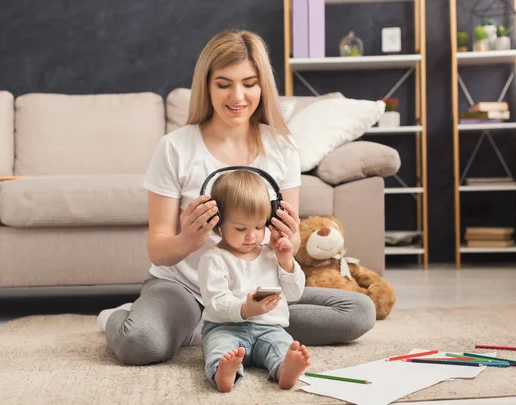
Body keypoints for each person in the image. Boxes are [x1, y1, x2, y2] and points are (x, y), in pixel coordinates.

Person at [97, 29, 376, 366]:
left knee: (358, 311)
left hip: (255, 292)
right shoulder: (175, 148)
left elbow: (290, 248)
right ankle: (137, 317)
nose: (238, 96)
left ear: (263, 86)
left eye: (249, 83)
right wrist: (188, 239)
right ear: (207, 86)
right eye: (224, 83)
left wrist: (288, 242)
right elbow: (157, 248)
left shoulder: (281, 148)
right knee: (140, 342)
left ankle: (216, 328)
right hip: (184, 290)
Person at [198, 169, 310, 392]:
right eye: (241, 228)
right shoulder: (214, 258)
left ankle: (284, 369)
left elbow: (295, 293)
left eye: (259, 227)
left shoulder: (272, 253)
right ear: (217, 222)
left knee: (281, 345)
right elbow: (216, 302)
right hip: (225, 328)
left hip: (269, 329)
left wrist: (286, 262)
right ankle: (223, 373)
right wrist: (245, 308)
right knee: (219, 348)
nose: (252, 236)